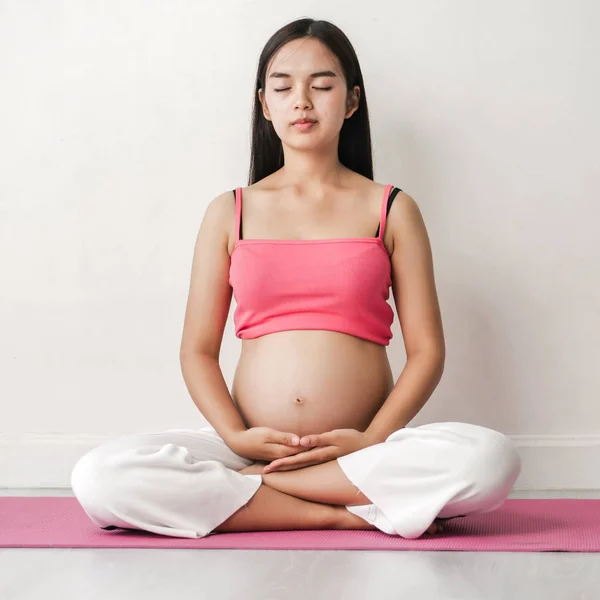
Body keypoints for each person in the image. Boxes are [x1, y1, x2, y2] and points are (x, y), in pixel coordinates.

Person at [70, 18, 521, 540]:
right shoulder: (229, 212)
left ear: (351, 101)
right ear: (265, 105)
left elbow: (427, 353)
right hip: (250, 445)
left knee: (490, 460)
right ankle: (337, 509)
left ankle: (257, 489)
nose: (301, 100)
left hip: (363, 447)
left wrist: (372, 438)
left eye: (322, 85)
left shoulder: (392, 209)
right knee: (100, 477)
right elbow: (196, 351)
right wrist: (237, 436)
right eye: (283, 87)